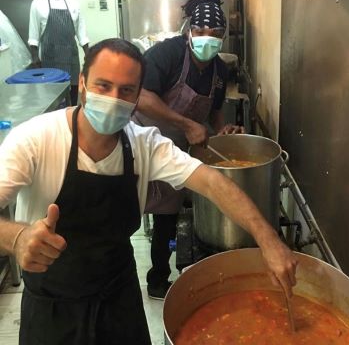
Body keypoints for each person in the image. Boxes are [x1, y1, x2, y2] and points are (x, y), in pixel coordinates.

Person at [0, 38, 297, 345]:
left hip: (118, 298)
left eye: (126, 90)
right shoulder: (35, 139)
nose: (114, 99)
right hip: (52, 309)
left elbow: (212, 182)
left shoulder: (144, 144)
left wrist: (268, 240)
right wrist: (18, 238)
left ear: (138, 95)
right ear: (82, 84)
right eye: (103, 86)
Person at [134, 0, 243, 299]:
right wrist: (185, 124)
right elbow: (142, 97)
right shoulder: (166, 54)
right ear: (189, 31)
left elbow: (214, 110)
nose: (207, 40)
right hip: (144, 140)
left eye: (215, 34)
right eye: (201, 32)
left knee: (168, 214)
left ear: (222, 37)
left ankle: (157, 280)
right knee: (130, 205)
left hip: (179, 147)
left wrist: (222, 129)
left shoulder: (219, 71)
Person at [28, 0, 89, 105]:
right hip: (50, 56)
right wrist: (34, 57)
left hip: (70, 54)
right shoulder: (38, 4)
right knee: (52, 91)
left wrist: (88, 53)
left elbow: (81, 31)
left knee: (73, 88)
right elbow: (33, 33)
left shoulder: (73, 3)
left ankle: (71, 111)